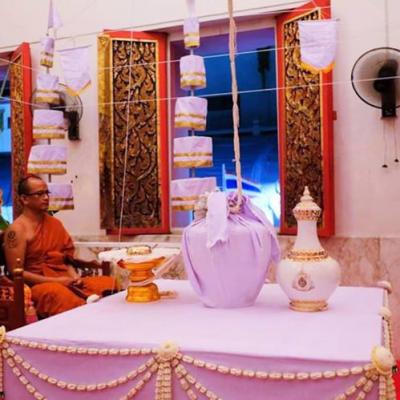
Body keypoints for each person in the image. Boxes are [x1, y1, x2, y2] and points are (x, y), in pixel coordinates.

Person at [4, 174, 115, 317]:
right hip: (37, 285)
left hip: (63, 278)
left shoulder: (54, 223)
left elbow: (65, 259)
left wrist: (74, 278)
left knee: (108, 283)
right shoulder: (17, 230)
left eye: (47, 193)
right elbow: (16, 272)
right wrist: (57, 281)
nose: (46, 197)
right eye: (39, 194)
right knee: (59, 295)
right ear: (24, 199)